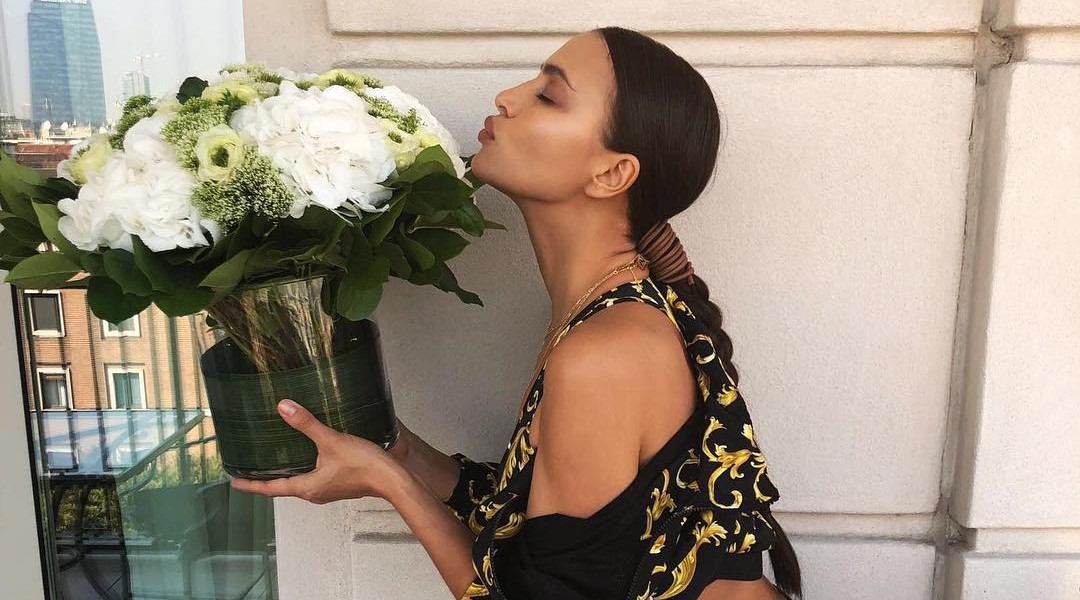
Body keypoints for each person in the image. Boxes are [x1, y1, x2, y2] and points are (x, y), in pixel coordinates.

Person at [231, 26, 802, 600]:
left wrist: (388, 483)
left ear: (611, 174)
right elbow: (533, 522)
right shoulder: (602, 313)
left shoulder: (605, 352)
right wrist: (395, 449)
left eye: (548, 96)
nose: (507, 97)